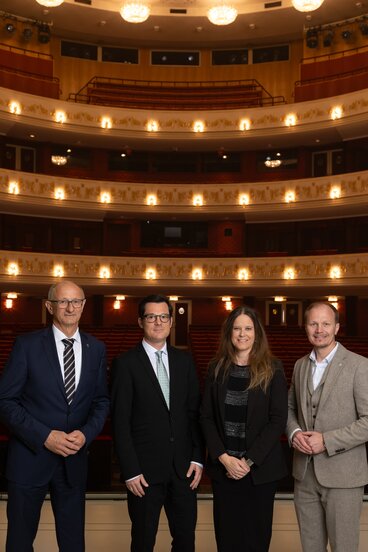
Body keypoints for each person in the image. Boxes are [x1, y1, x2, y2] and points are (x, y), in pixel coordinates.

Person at [0, 280, 110, 552]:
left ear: (84, 306)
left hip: (73, 463)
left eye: (76, 301)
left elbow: (101, 401)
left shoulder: (96, 348)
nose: (70, 307)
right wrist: (44, 436)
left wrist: (85, 435)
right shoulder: (27, 345)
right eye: (63, 301)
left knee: (73, 544)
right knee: (20, 542)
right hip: (29, 459)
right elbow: (5, 400)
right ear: (50, 306)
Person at [111, 294, 204, 552]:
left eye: (163, 317)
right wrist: (129, 470)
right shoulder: (125, 363)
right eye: (151, 317)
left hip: (183, 471)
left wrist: (197, 458)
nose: (158, 322)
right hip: (143, 474)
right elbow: (120, 422)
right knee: (143, 541)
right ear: (141, 321)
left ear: (171, 321)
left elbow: (194, 414)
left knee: (186, 541)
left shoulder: (184, 361)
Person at [200, 305, 288, 552]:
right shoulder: (216, 368)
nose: (242, 334)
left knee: (256, 540)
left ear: (256, 333)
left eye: (248, 328)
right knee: (227, 540)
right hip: (225, 470)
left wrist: (248, 462)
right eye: (237, 328)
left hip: (259, 472)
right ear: (229, 333)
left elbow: (278, 419)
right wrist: (224, 458)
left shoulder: (273, 369)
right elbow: (205, 417)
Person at [287, 301, 368, 552]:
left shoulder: (359, 365)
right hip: (304, 476)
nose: (319, 329)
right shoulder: (300, 365)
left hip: (343, 477)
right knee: (311, 548)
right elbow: (290, 409)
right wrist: (294, 433)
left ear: (337, 328)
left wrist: (327, 440)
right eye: (313, 323)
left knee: (344, 547)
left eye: (325, 323)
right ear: (306, 327)